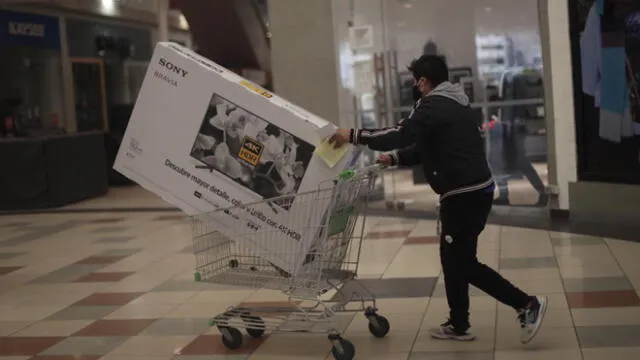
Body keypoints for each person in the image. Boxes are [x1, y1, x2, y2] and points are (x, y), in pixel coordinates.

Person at [329, 55, 547, 344]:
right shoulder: (455, 103)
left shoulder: (434, 106)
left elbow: (401, 133)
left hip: (462, 195)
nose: (413, 87)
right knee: (453, 259)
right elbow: (428, 147)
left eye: (414, 81)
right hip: (473, 190)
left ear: (422, 81)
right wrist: (395, 158)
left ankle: (526, 304)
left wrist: (353, 135)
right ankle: (458, 325)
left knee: (462, 264)